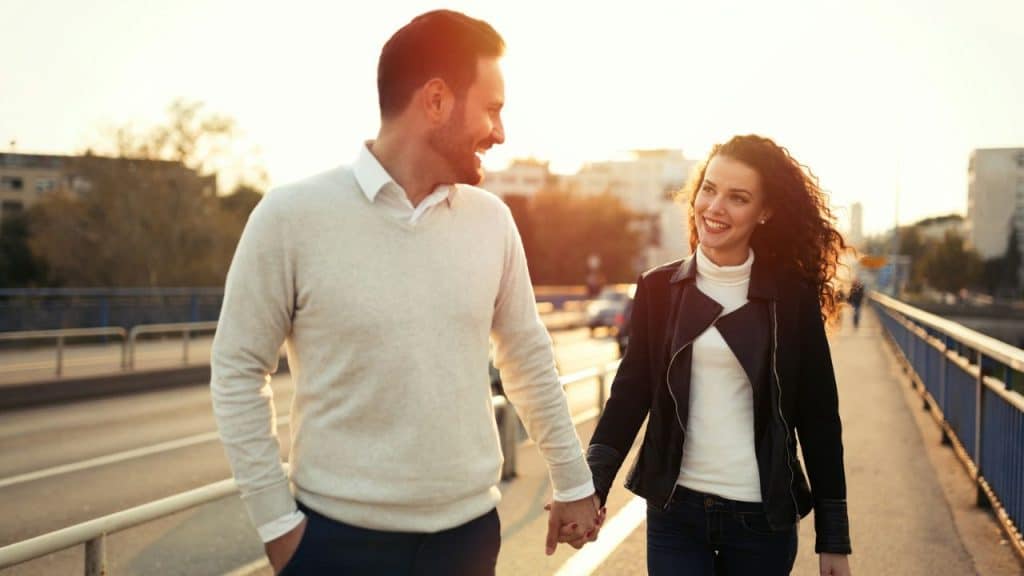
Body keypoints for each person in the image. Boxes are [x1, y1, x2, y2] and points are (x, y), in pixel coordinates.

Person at [210, 10, 601, 575]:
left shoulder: (492, 221)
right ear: (437, 100)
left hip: (465, 543)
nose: (501, 132)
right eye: (491, 109)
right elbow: (237, 368)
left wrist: (572, 480)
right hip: (336, 545)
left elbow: (526, 356)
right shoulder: (291, 217)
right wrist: (278, 529)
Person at [586, 135, 853, 576]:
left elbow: (820, 418)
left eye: (738, 197)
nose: (715, 207)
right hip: (676, 514)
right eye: (708, 189)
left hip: (761, 521)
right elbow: (630, 395)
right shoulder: (658, 288)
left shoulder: (792, 299)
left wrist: (835, 539)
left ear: (764, 212)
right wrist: (591, 486)